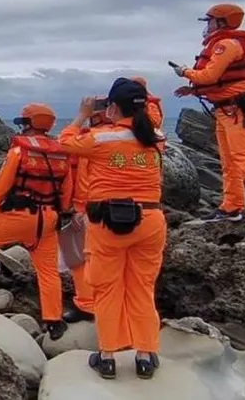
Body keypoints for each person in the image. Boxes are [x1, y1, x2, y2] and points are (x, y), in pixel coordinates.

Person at [59, 78, 166, 380]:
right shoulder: (155, 137)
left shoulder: (102, 138)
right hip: (151, 220)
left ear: (113, 107)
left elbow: (65, 142)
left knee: (106, 289)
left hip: (108, 222)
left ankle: (107, 357)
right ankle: (145, 356)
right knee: (142, 288)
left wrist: (82, 114)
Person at [0, 103, 72, 340]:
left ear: (27, 124)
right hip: (49, 219)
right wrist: (59, 213)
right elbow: (67, 191)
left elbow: (2, 184)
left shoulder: (19, 152)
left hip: (18, 215)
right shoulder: (62, 152)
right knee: (48, 271)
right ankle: (54, 320)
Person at [171, 3, 245, 236]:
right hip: (226, 110)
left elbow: (209, 75)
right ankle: (232, 206)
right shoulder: (228, 44)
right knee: (230, 162)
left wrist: (185, 71)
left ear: (221, 22)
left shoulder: (225, 45)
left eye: (209, 21)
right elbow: (219, 82)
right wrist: (194, 90)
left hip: (236, 111)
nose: (207, 26)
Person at [61, 108, 112, 324]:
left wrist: (74, 207)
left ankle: (88, 305)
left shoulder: (92, 141)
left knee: (79, 260)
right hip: (121, 209)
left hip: (93, 209)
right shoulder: (134, 140)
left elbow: (63, 141)